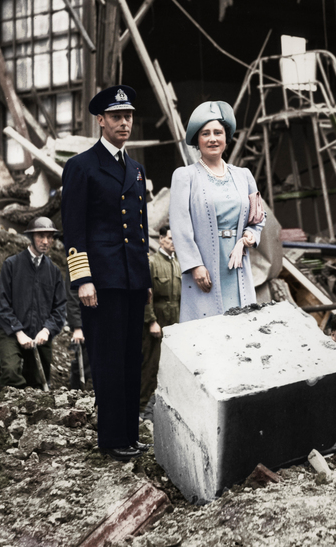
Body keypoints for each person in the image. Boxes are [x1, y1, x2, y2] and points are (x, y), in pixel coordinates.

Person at [61, 85, 152, 462]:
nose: (124, 123)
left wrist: (144, 280)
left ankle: (130, 434)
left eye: (128, 116)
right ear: (101, 121)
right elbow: (74, 229)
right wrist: (82, 278)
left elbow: (140, 230)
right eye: (116, 117)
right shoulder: (81, 166)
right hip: (100, 282)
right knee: (109, 359)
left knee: (132, 358)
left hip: (131, 280)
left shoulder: (135, 168)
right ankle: (112, 438)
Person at [170, 100, 266, 322]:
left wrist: (252, 234)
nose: (212, 138)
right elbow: (180, 226)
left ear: (226, 138)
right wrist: (195, 265)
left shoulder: (244, 176)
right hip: (206, 268)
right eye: (205, 133)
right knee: (210, 330)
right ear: (197, 140)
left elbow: (258, 217)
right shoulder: (185, 176)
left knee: (241, 326)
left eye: (218, 133)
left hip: (238, 263)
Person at [0, 217, 66, 390]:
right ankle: (10, 409)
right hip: (11, 332)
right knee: (11, 373)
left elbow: (60, 308)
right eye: (40, 236)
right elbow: (2, 304)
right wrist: (18, 332)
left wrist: (47, 330)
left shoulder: (54, 272)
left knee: (38, 384)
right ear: (31, 237)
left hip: (39, 334)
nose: (45, 241)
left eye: (49, 237)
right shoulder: (11, 265)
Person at [141, 225, 181, 416]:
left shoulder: (177, 264)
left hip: (174, 323)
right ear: (161, 239)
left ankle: (161, 411)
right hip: (157, 322)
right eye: (171, 238)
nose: (174, 243)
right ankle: (141, 410)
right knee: (151, 366)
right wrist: (151, 322)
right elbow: (145, 296)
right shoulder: (152, 263)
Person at [66, 279, 92, 390]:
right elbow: (72, 295)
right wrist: (77, 327)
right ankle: (77, 394)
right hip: (86, 320)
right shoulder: (78, 263)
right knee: (84, 364)